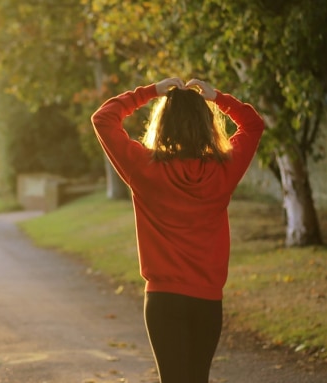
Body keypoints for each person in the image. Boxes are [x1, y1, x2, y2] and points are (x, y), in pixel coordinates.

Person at [90, 78, 266, 382]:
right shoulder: (223, 169)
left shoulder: (144, 168)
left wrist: (150, 92)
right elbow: (253, 125)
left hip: (163, 300)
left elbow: (103, 118)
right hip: (207, 300)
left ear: (163, 124)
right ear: (207, 124)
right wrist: (218, 98)